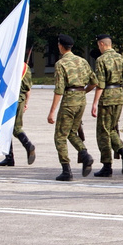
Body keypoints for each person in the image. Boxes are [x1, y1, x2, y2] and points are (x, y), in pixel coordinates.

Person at [47, 34, 96, 181]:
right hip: (81, 100)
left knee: (60, 136)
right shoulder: (82, 61)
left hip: (69, 101)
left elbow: (59, 90)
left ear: (61, 46)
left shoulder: (60, 64)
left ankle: (66, 170)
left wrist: (52, 112)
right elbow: (94, 82)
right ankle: (85, 154)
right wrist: (82, 92)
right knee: (72, 132)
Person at [90, 34, 123, 177]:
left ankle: (107, 164)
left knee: (103, 131)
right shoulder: (121, 58)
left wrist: (95, 102)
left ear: (102, 44)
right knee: (112, 129)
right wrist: (120, 91)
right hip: (118, 96)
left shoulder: (101, 60)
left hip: (107, 97)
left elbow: (100, 84)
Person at [0, 58, 36, 167]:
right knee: (13, 127)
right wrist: (26, 103)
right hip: (20, 99)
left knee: (8, 128)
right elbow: (28, 88)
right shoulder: (25, 67)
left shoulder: (8, 66)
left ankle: (27, 146)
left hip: (9, 100)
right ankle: (10, 158)